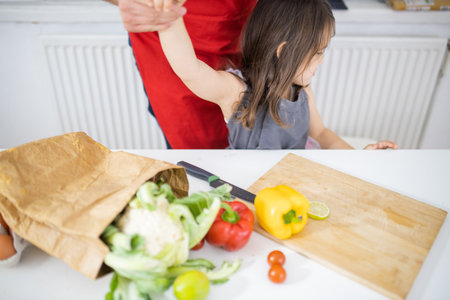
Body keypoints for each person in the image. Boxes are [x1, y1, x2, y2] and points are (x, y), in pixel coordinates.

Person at [157, 0, 397, 150]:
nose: (322, 60)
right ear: (284, 51)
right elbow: (190, 71)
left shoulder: (303, 91)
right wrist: (169, 19)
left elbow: (322, 134)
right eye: (317, 52)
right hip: (247, 194)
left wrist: (362, 159)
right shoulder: (237, 92)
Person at [107, 0, 258, 149]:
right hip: (170, 36)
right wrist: (166, 12)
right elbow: (190, 71)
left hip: (253, 26)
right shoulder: (235, 90)